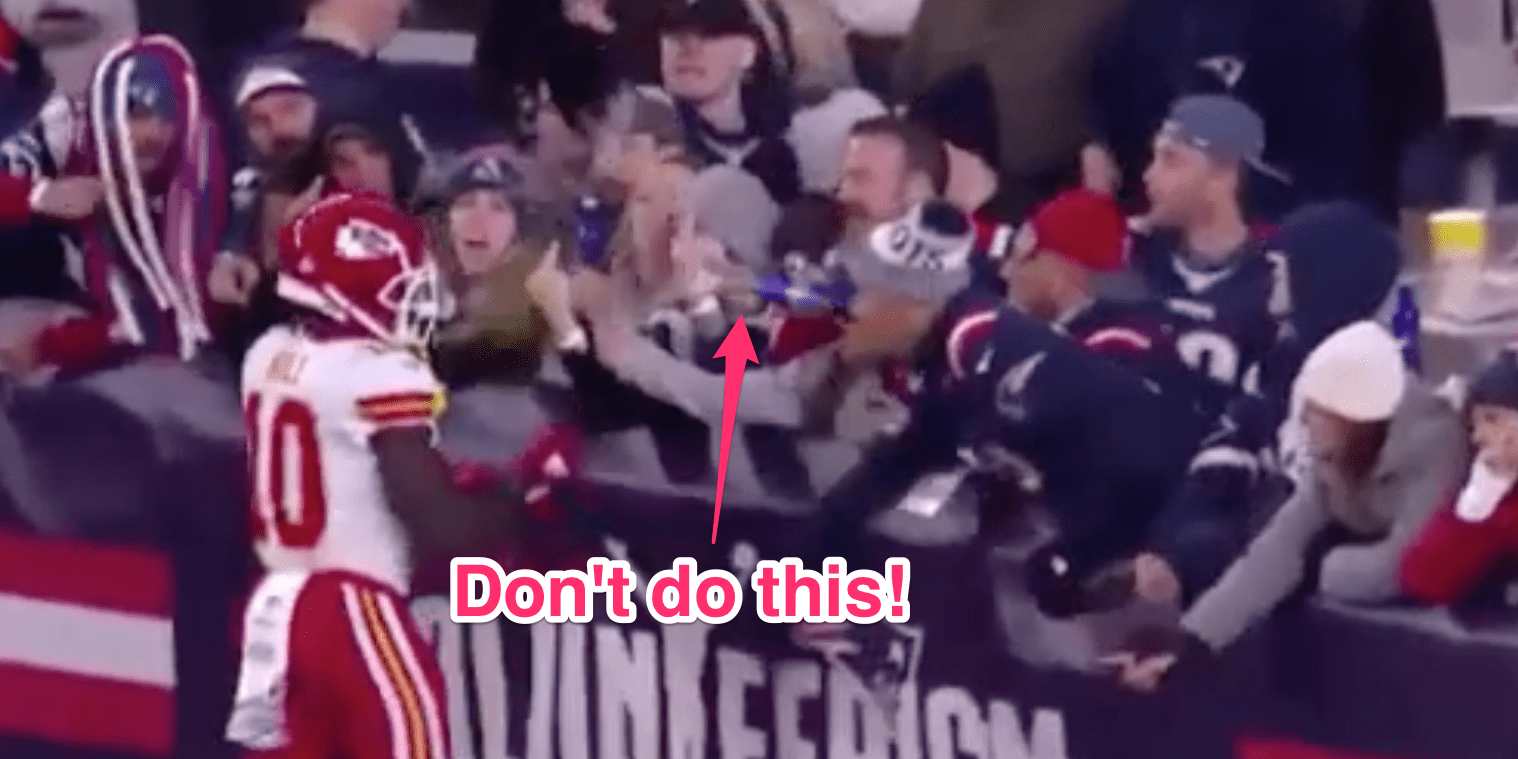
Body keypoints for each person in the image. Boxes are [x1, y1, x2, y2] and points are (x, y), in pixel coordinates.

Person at [226, 192, 527, 759]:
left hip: (273, 609)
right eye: (398, 287)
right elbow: (441, 528)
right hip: (353, 611)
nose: (411, 302)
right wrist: (517, 500)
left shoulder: (268, 354)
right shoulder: (379, 373)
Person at [1110, 321, 1466, 692]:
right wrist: (1191, 644)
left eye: (1316, 411)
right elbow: (1276, 551)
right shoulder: (1338, 453)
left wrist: (1320, 566)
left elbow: (1406, 566)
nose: (1305, 423)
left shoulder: (1435, 448)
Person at [0, 34, 228, 380]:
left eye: (166, 118)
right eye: (136, 114)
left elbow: (174, 324)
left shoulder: (211, 158)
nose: (152, 133)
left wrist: (56, 345)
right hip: (58, 304)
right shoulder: (71, 128)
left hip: (175, 357)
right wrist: (37, 195)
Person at [1002, 188, 1233, 421]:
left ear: (1059, 271)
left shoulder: (1100, 355)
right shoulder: (1153, 326)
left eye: (1023, 257)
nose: (1006, 271)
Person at [1128, 94, 1288, 399]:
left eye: (1171, 160)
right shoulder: (1129, 254)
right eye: (1154, 158)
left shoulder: (1277, 279)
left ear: (1224, 173)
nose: (1149, 175)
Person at [1401, 351, 1518, 605]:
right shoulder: (1489, 490)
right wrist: (1476, 509)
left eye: (1493, 419)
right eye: (1473, 425)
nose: (1479, 436)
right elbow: (1422, 580)